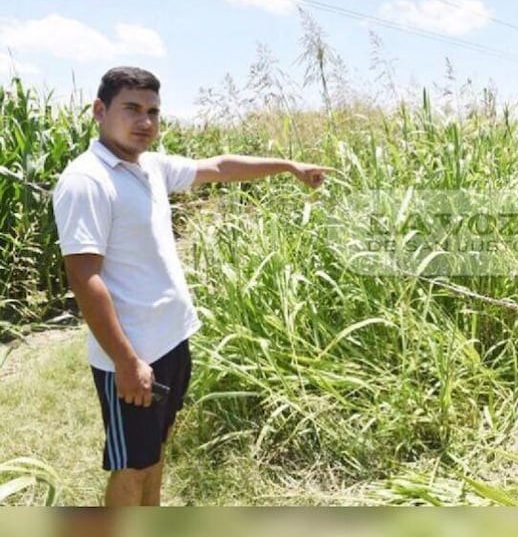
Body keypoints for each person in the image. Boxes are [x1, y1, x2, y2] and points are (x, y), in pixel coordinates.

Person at [52, 66, 331, 506]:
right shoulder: (87, 180)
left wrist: (289, 166)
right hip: (133, 354)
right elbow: (84, 278)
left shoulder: (150, 167)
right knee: (132, 467)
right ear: (100, 111)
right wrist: (126, 362)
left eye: (153, 112)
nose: (145, 122)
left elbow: (219, 166)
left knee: (155, 453)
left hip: (171, 342)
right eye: (132, 109)